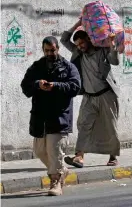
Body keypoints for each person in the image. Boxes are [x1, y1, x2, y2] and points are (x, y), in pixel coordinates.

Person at [21, 36, 81, 196]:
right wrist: (37, 85)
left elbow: (75, 86)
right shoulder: (37, 67)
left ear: (57, 49)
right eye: (47, 50)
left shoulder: (68, 67)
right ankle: (62, 170)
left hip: (59, 117)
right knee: (40, 151)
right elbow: (25, 87)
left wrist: (55, 86)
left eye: (52, 50)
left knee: (55, 151)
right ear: (43, 50)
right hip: (40, 118)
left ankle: (55, 181)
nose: (49, 53)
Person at [61, 19, 121, 168]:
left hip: (106, 95)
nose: (80, 47)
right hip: (88, 96)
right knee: (83, 124)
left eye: (82, 43)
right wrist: (78, 23)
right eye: (77, 45)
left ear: (88, 39)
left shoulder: (102, 50)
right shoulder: (78, 53)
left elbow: (115, 61)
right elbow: (64, 39)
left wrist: (112, 44)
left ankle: (113, 156)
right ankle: (79, 156)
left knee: (110, 126)